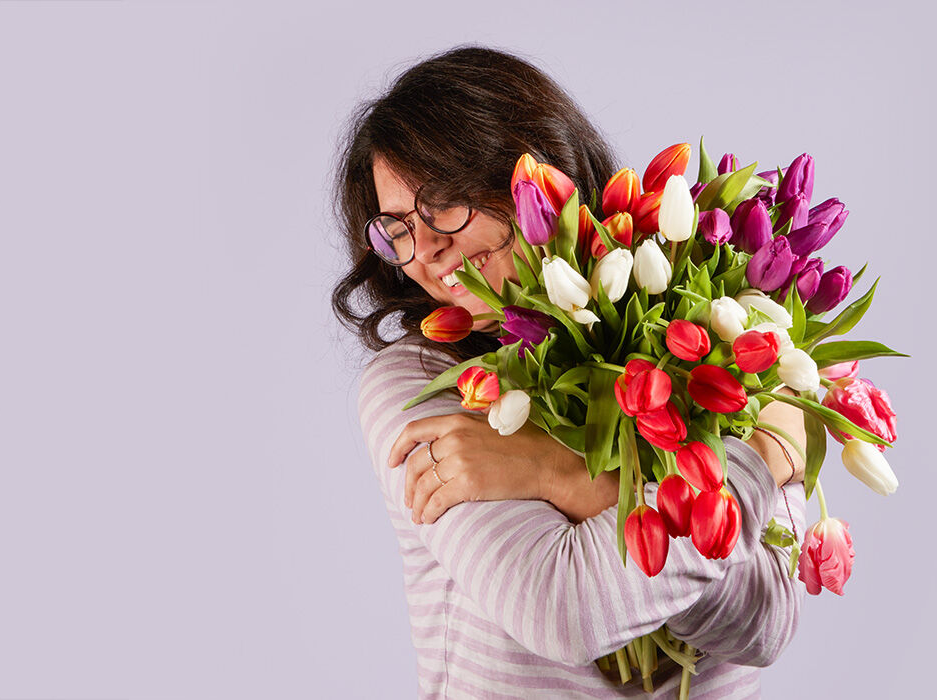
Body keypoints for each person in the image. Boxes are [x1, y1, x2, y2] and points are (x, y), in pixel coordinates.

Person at [333, 46, 806, 699]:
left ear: (528, 169)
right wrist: (764, 453)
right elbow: (565, 612)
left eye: (443, 201)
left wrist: (553, 471)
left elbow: (765, 624)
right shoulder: (419, 384)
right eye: (397, 228)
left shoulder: (715, 333)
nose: (427, 248)